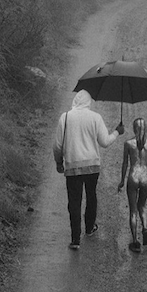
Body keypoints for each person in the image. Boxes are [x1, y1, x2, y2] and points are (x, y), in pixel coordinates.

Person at [53, 89, 124, 250]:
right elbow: (105, 142)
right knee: (91, 196)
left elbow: (57, 146)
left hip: (73, 166)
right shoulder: (95, 118)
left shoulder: (65, 118)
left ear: (75, 101)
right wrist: (116, 132)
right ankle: (90, 227)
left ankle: (75, 239)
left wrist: (59, 162)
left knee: (74, 201)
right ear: (89, 102)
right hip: (92, 166)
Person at [118, 117, 147, 253]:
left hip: (133, 177)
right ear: (145, 128)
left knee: (133, 211)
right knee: (142, 206)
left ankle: (135, 241)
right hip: (146, 177)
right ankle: (145, 227)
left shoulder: (128, 144)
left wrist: (122, 181)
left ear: (134, 129)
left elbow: (125, 163)